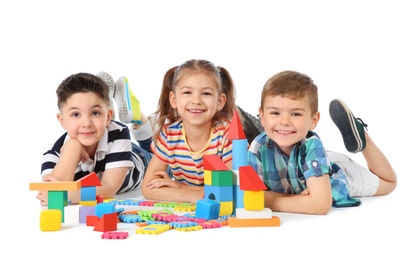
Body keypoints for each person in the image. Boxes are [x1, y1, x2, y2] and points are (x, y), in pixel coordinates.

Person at [247, 70, 397, 215]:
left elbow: (320, 204)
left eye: (296, 114)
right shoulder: (257, 148)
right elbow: (253, 195)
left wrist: (270, 200)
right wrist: (299, 200)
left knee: (388, 183)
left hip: (336, 173)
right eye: (275, 113)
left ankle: (364, 138)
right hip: (315, 165)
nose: (284, 121)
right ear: (262, 116)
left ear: (313, 121)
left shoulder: (312, 146)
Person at [37, 72, 153, 206]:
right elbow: (51, 194)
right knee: (100, 129)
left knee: (154, 151)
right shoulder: (53, 154)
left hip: (139, 160)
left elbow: (109, 189)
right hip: (109, 145)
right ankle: (103, 105)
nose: (86, 123)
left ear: (109, 116)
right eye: (76, 114)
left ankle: (138, 114)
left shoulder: (119, 133)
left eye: (95, 113)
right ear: (62, 120)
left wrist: (68, 194)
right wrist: (72, 147)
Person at [141, 59, 237, 203]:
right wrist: (197, 195)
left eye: (206, 93)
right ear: (174, 100)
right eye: (187, 92)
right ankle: (140, 124)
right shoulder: (170, 133)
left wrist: (179, 188)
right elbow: (148, 188)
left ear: (220, 101)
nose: (196, 100)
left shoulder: (228, 134)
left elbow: (233, 189)